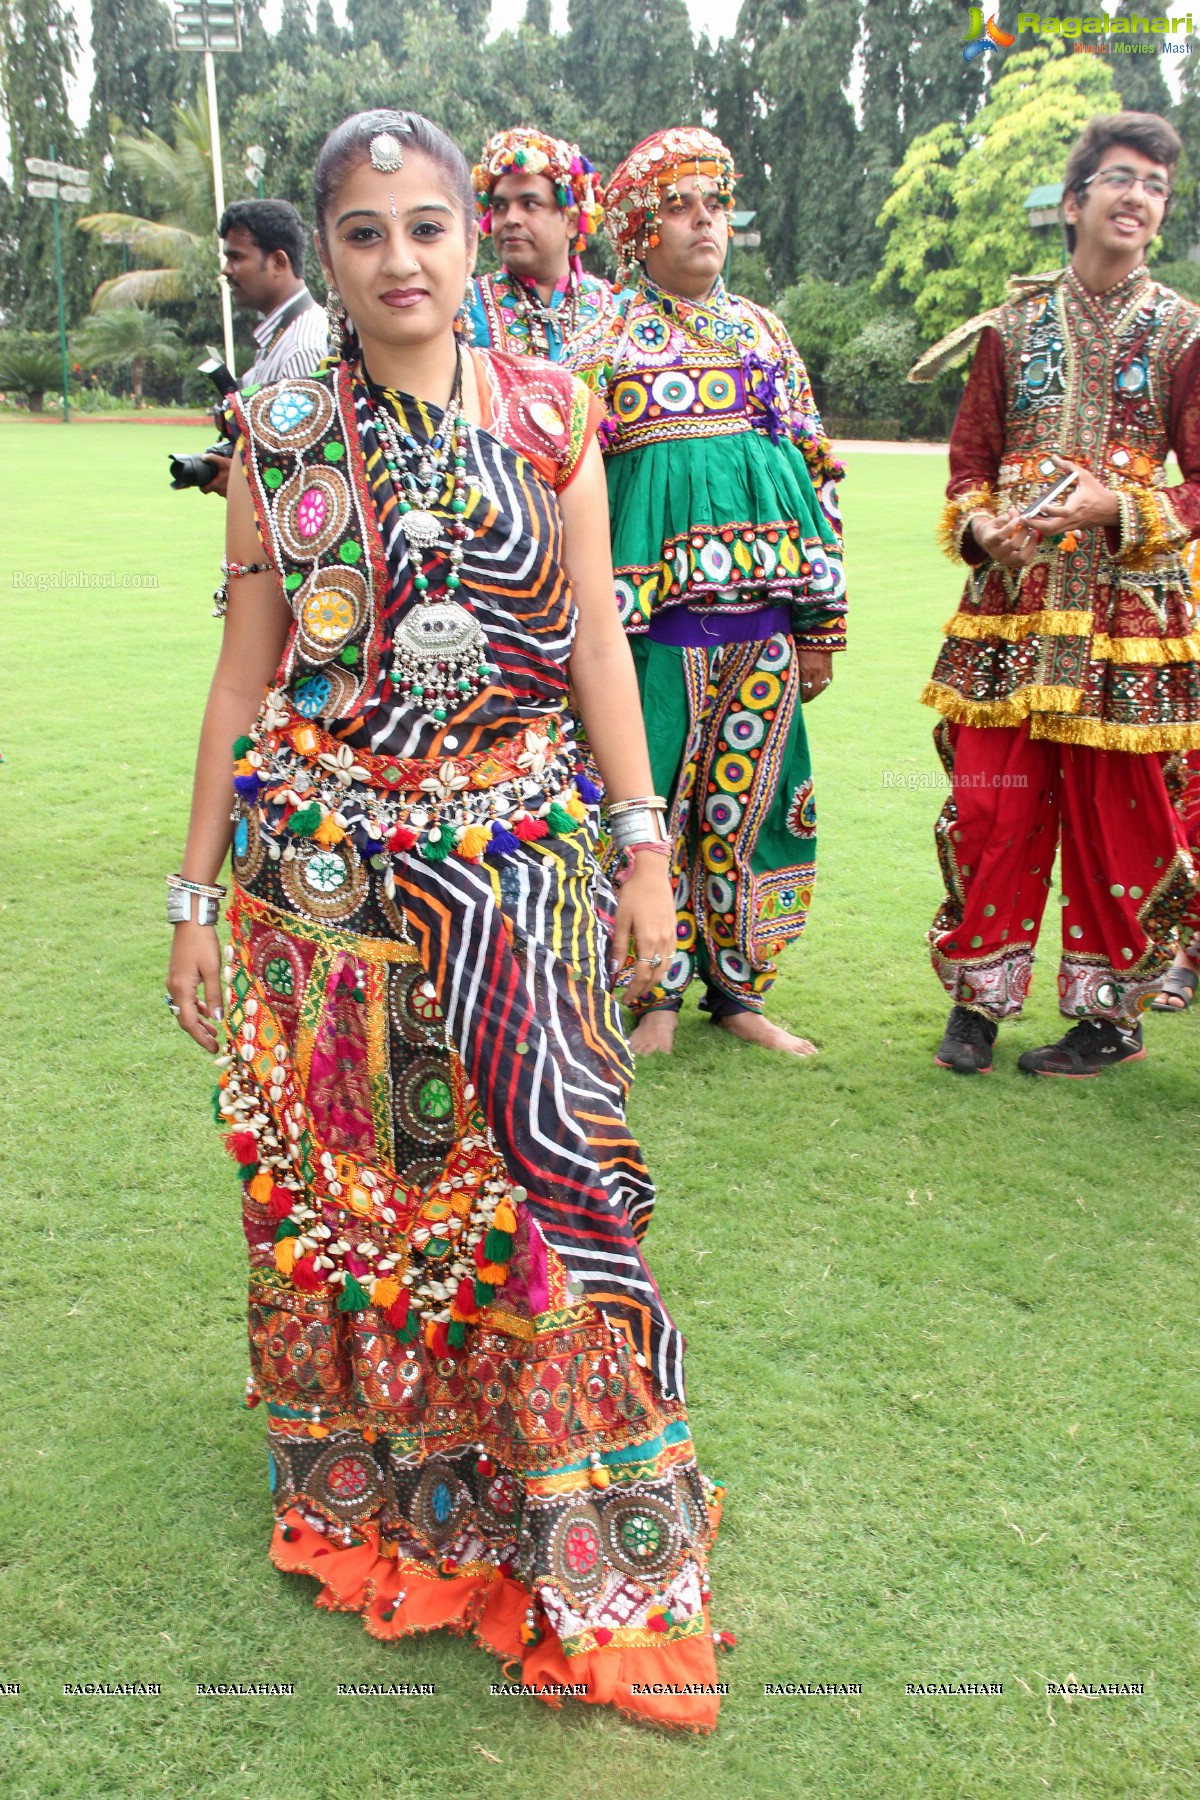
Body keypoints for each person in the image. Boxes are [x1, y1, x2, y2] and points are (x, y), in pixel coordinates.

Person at [165, 107, 728, 1732]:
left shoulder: (554, 409)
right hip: (324, 888)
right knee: (370, 1206)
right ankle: (403, 1485)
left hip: (514, 870)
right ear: (327, 259)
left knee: (562, 1188)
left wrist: (642, 847)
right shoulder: (277, 429)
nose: (401, 259)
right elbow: (242, 674)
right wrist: (194, 899)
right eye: (365, 232)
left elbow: (602, 644)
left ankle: (600, 1533)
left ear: (475, 238)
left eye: (430, 225)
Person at [919, 112, 1200, 1077]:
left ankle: (1109, 1019)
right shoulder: (1011, 327)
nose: (1139, 198)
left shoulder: (1183, 330)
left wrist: (1118, 503)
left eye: (1157, 187)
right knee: (992, 803)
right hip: (1015, 610)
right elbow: (969, 466)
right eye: (1122, 178)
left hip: (1128, 616)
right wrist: (984, 525)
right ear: (1073, 202)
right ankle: (979, 1004)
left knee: (1118, 815)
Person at [569, 127, 847, 1057]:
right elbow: (564, 490)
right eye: (681, 208)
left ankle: (740, 995)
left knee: (755, 810)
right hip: (650, 641)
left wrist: (820, 623)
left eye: (715, 207)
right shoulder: (601, 340)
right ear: (640, 229)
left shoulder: (765, 333)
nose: (704, 224)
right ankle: (652, 998)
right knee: (659, 812)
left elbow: (815, 474)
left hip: (766, 631)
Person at [202, 199, 329, 496]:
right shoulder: (281, 337)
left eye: (236, 258)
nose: (226, 270)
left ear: (278, 263)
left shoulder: (301, 347)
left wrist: (239, 480)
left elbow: (307, 473)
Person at [466, 126, 614, 361]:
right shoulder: (464, 307)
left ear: (572, 222)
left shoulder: (620, 309)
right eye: (500, 207)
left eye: (530, 204)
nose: (511, 219)